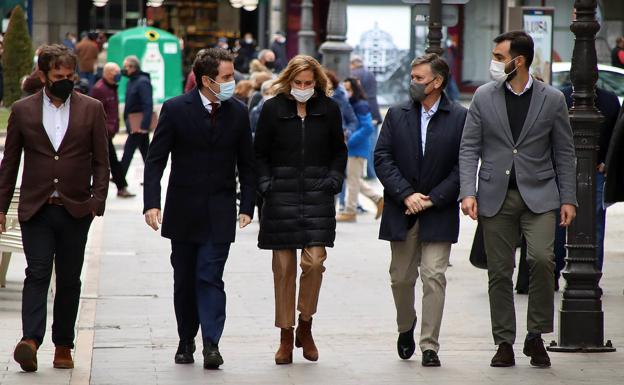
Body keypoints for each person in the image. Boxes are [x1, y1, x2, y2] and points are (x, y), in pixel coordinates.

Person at [459, 31, 577, 368]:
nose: (494, 62)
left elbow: (564, 152)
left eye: (498, 56)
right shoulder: (483, 96)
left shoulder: (551, 99)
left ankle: (535, 335)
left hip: (540, 196)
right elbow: (469, 147)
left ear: (518, 60)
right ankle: (504, 341)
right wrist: (468, 192)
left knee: (542, 261)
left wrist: (568, 198)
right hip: (495, 197)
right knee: (499, 271)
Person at [143, 48, 255, 370]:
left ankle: (211, 344)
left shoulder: (238, 112)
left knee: (210, 276)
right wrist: (152, 202)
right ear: (207, 80)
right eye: (227, 76)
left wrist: (247, 204)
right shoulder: (176, 109)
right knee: (184, 279)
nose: (234, 81)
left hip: (220, 210)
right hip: (183, 210)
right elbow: (155, 161)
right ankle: (185, 338)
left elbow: (248, 165)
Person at [0, 44, 109, 372]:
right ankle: (30, 340)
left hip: (76, 208)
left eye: (70, 76)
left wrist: (97, 201)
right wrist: (1, 207)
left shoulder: (91, 108)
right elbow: (10, 162)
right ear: (43, 75)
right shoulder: (24, 110)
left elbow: (102, 161)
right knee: (37, 272)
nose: (65, 80)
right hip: (37, 207)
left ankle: (64, 344)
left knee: (70, 279)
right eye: (58, 76)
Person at [254, 55, 347, 365]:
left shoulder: (329, 109)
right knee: (282, 269)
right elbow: (260, 153)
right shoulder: (272, 108)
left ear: (317, 83)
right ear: (288, 81)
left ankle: (305, 325)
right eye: (298, 83)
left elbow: (339, 151)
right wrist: (266, 183)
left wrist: (334, 179)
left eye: (309, 83)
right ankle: (285, 334)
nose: (303, 88)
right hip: (280, 194)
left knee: (315, 262)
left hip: (318, 193)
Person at [375, 54, 467, 367]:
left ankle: (430, 345)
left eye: (418, 78)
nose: (412, 83)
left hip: (438, 210)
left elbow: (463, 166)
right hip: (403, 210)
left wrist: (433, 198)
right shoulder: (397, 113)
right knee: (401, 278)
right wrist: (406, 194)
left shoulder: (459, 117)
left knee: (433, 275)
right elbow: (382, 158)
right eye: (412, 78)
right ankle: (406, 326)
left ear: (437, 82)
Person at [336, 77, 383, 222]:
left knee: (353, 180)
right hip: (353, 147)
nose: (346, 93)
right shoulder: (351, 103)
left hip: (356, 148)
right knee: (353, 179)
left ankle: (350, 211)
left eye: (349, 90)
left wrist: (349, 140)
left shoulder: (361, 105)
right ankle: (378, 199)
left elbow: (367, 127)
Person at [91, 62, 136, 198]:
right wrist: (104, 128)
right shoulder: (100, 88)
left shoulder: (112, 87)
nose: (119, 74)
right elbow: (96, 112)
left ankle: (119, 187)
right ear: (108, 73)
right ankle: (120, 187)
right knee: (109, 161)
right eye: (115, 71)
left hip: (108, 132)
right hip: (102, 132)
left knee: (108, 161)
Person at [120, 55, 153, 178]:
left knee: (128, 152)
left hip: (139, 125)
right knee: (147, 154)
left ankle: (120, 179)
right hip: (132, 123)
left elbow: (147, 104)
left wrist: (144, 125)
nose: (124, 69)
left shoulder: (142, 82)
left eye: (126, 67)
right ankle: (151, 177)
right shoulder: (131, 81)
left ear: (133, 67)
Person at [351, 55, 381, 179]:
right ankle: (371, 173)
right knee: (373, 145)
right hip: (374, 110)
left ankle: (356, 171)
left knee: (359, 143)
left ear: (352, 64)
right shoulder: (370, 74)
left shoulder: (352, 74)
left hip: (361, 110)